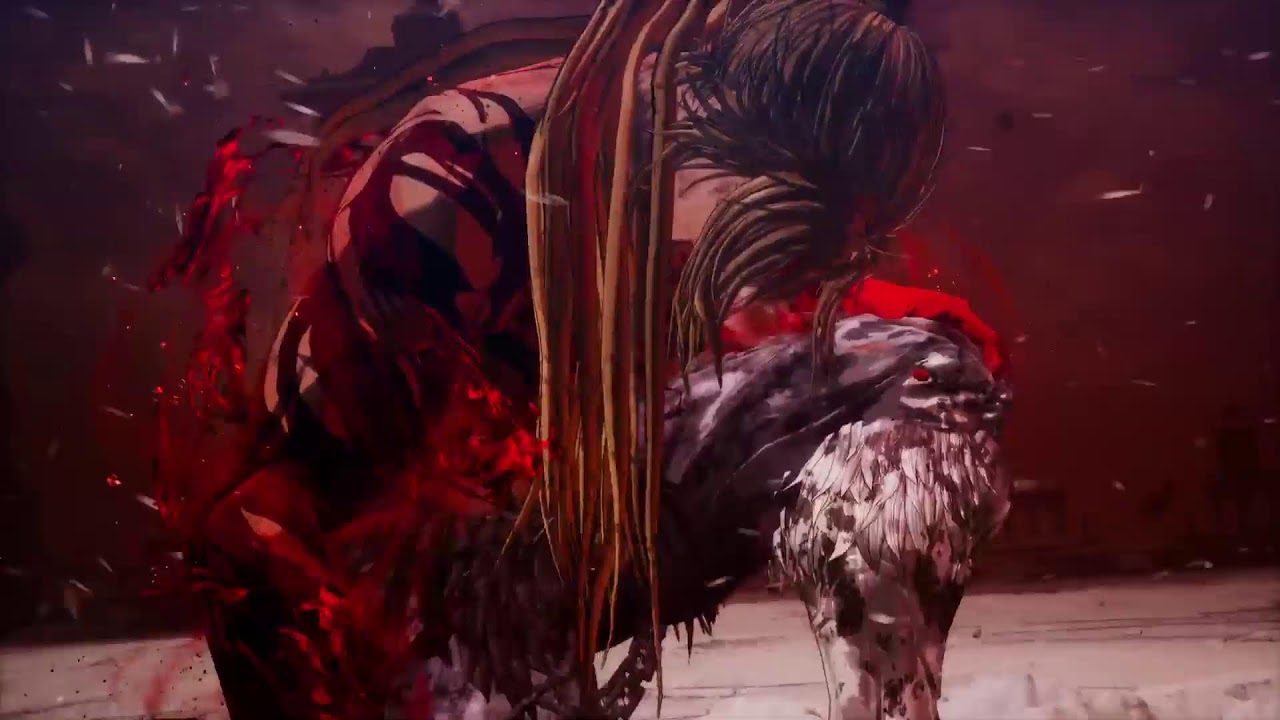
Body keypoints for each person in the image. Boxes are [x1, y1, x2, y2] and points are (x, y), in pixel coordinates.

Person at [173, 1, 1006, 716]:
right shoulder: (447, 185)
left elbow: (718, 313)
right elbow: (335, 516)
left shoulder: (691, 180)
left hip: (564, 509)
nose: (827, 265)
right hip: (397, 569)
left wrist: (864, 319)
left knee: (925, 369)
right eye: (802, 233)